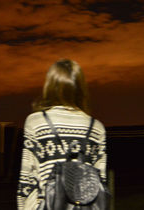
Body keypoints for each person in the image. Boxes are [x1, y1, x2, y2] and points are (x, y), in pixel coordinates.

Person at [17, 59, 107, 210]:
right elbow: (101, 182)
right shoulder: (97, 128)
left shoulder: (35, 122)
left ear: (50, 85)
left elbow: (27, 179)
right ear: (80, 88)